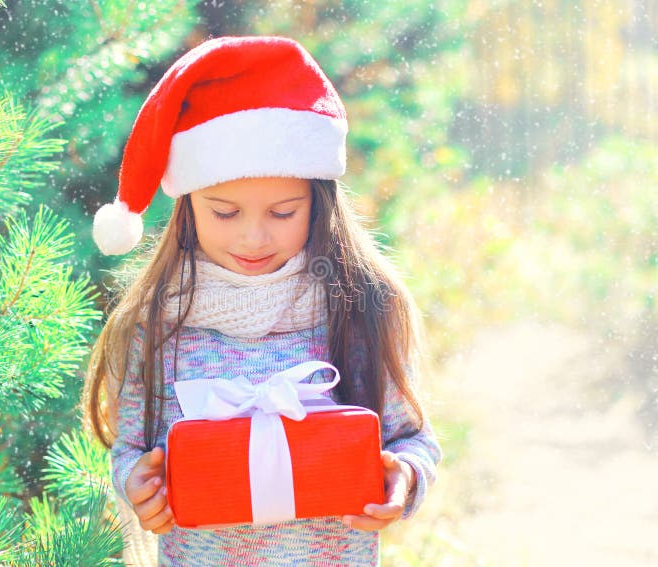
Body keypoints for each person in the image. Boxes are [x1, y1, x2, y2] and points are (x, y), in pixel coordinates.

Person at [83, 35, 442, 567]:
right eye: (225, 213)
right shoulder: (156, 324)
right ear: (187, 207)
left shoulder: (362, 307)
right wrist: (138, 486)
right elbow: (131, 451)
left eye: (282, 213)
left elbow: (415, 442)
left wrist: (404, 477)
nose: (253, 237)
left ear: (319, 203)